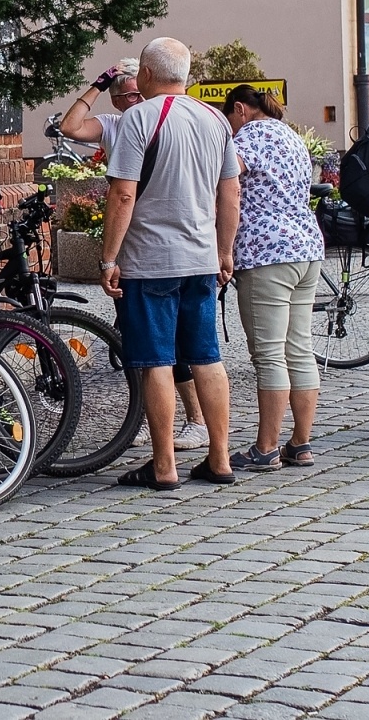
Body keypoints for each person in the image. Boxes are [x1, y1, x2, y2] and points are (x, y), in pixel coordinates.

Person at [100, 38, 240, 490]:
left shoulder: (139, 118)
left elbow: (122, 194)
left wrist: (108, 258)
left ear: (144, 74)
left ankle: (164, 467)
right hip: (200, 259)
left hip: (150, 260)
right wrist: (224, 251)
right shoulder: (215, 118)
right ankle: (220, 459)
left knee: (156, 360)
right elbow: (230, 193)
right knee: (207, 357)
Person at [62, 57, 210, 451]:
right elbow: (69, 127)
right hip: (141, 247)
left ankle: (195, 421)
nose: (132, 98)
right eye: (123, 95)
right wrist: (99, 81)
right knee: (142, 343)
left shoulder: (159, 118)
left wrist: (106, 259)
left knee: (178, 345)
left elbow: (125, 193)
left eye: (136, 91)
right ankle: (150, 419)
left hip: (160, 248)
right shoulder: (115, 124)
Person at [222, 85, 324, 470]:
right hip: (306, 248)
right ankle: (300, 443)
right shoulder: (292, 135)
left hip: (266, 253)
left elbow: (228, 182)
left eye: (229, 119)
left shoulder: (248, 137)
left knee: (268, 355)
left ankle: (265, 448)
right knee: (299, 349)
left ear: (239, 110)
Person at [59, 58, 143, 156]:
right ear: (116, 102)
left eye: (145, 92)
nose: (142, 99)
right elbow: (68, 128)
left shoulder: (162, 122)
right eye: (132, 95)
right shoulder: (111, 125)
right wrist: (99, 86)